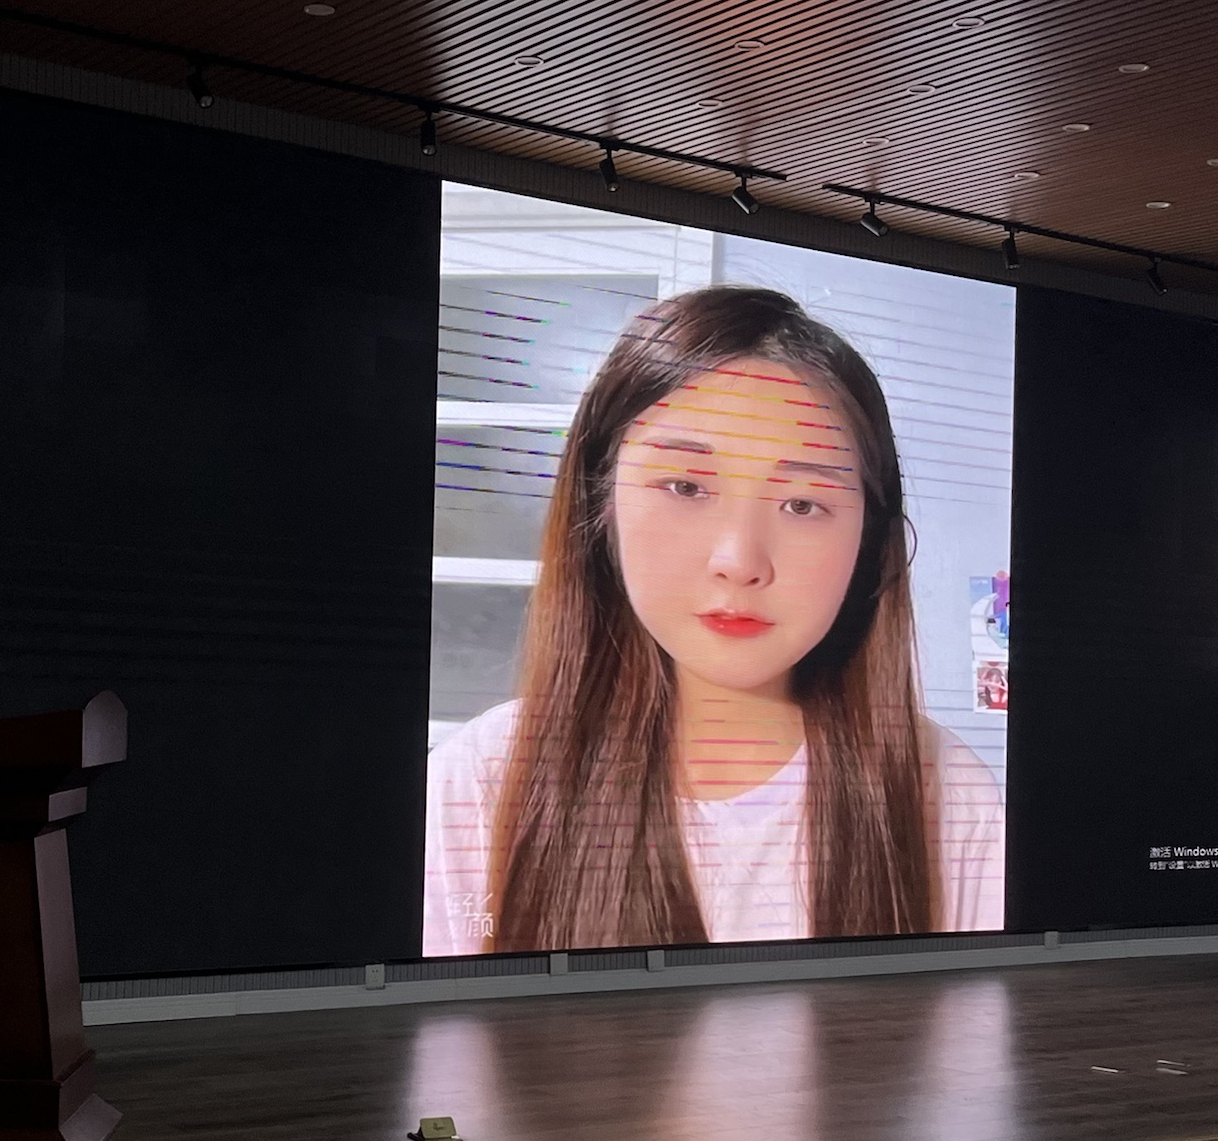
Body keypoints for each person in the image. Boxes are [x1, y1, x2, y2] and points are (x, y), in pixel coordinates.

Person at [424, 285, 1002, 954]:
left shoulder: (943, 795)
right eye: (687, 487)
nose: (739, 561)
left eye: (802, 504)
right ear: (599, 503)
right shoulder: (486, 780)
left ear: (869, 540)